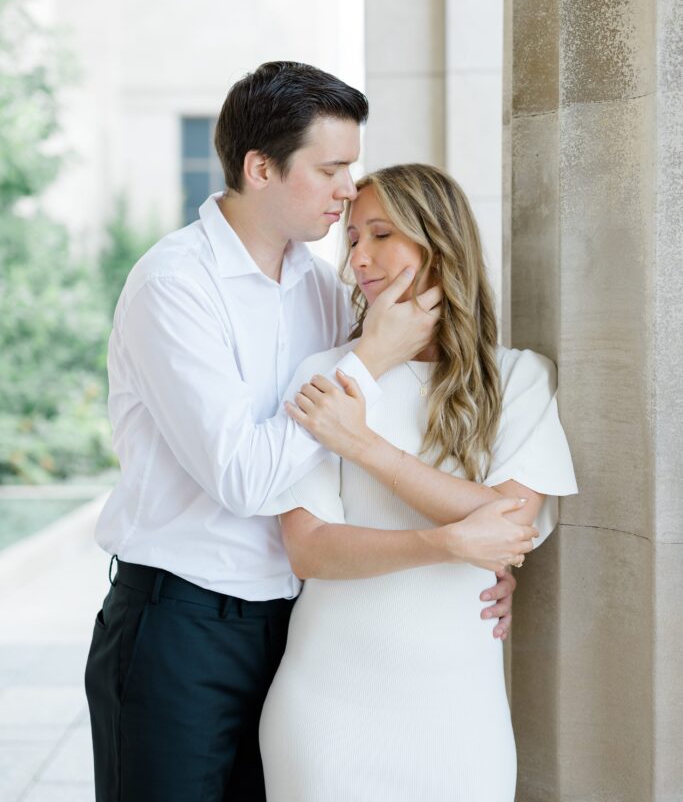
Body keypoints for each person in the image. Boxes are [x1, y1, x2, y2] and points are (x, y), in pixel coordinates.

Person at [84, 63, 523, 802]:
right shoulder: (173, 285)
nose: (349, 188)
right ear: (260, 168)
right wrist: (371, 357)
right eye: (330, 168)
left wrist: (478, 563)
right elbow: (248, 478)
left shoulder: (319, 287)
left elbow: (361, 458)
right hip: (182, 625)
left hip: (295, 633)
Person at [259, 163, 578, 802]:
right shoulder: (327, 376)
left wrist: (363, 447)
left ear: (439, 243)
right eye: (351, 239)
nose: (361, 259)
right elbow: (310, 549)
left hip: (461, 711)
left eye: (381, 234)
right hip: (328, 706)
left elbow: (511, 525)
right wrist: (449, 544)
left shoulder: (518, 379)